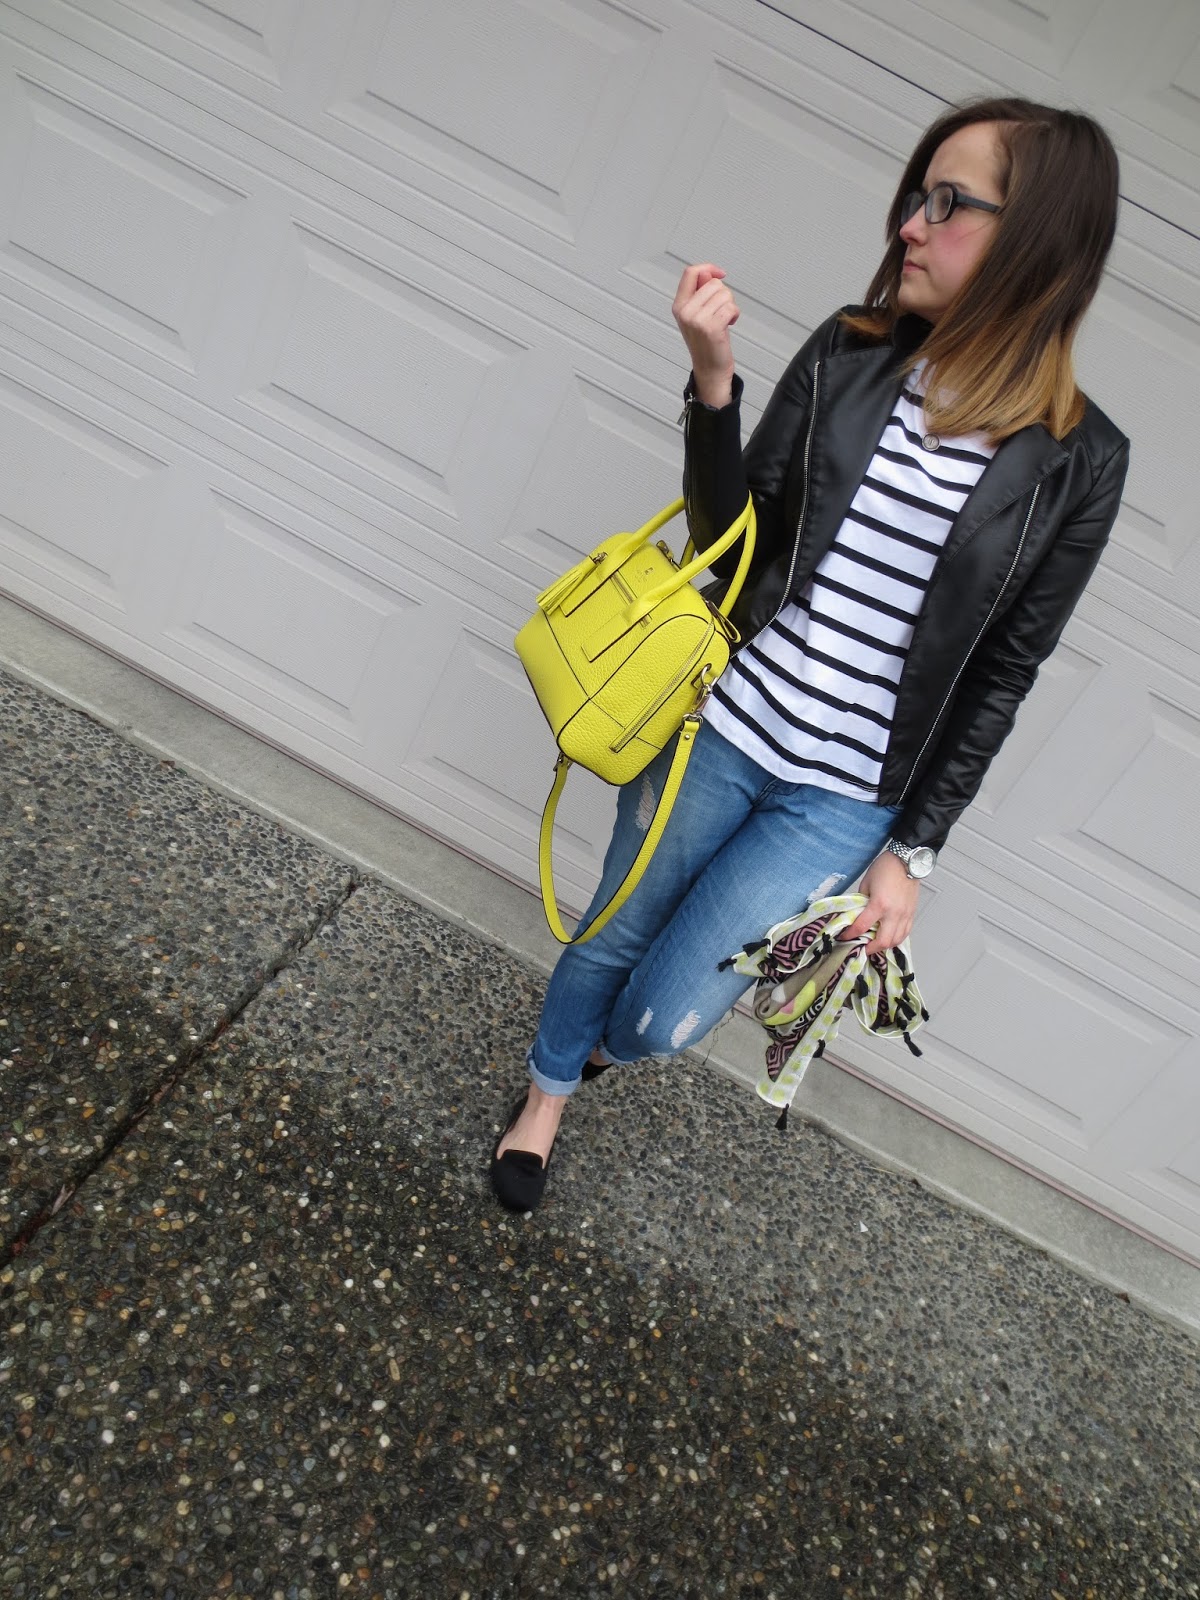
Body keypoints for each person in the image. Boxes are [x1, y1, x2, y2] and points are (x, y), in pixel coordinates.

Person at [491, 96, 1129, 1212]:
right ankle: (543, 1098)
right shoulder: (852, 349)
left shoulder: (1081, 462)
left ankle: (596, 1051)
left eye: (948, 203)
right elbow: (730, 538)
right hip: (722, 722)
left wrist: (912, 853)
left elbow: (1004, 673)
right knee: (613, 931)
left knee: (668, 1012)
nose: (909, 226)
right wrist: (713, 383)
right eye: (916, 197)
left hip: (843, 800)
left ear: (1036, 240)